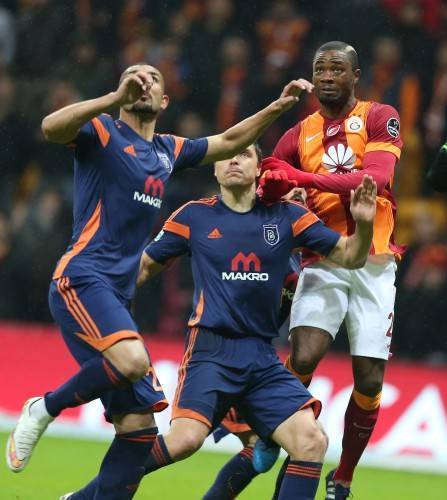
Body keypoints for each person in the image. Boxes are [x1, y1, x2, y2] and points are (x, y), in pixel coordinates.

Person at [6, 62, 312, 499]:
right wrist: (114, 99)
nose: (144, 79)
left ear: (164, 100)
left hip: (117, 295)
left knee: (139, 431)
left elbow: (228, 141)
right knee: (132, 360)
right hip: (83, 276)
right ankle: (45, 407)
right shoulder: (104, 131)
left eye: (153, 77)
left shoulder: (167, 149)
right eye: (135, 74)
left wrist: (277, 108)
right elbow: (51, 127)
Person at [136, 143, 377, 499]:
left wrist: (365, 223)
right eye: (227, 155)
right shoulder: (198, 217)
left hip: (261, 359)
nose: (234, 159)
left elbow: (351, 255)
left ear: (259, 170)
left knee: (303, 442)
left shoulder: (294, 240)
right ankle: (97, 491)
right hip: (213, 352)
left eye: (245, 154)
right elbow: (142, 267)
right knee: (192, 441)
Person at [258, 41, 404, 499]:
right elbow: (269, 180)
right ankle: (279, 434)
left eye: (336, 69)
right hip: (323, 256)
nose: (326, 76)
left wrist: (301, 179)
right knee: (303, 356)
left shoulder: (380, 116)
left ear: (355, 75)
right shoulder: (298, 134)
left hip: (374, 261)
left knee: (370, 380)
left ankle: (343, 476)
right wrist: (278, 189)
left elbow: (375, 179)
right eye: (320, 68)